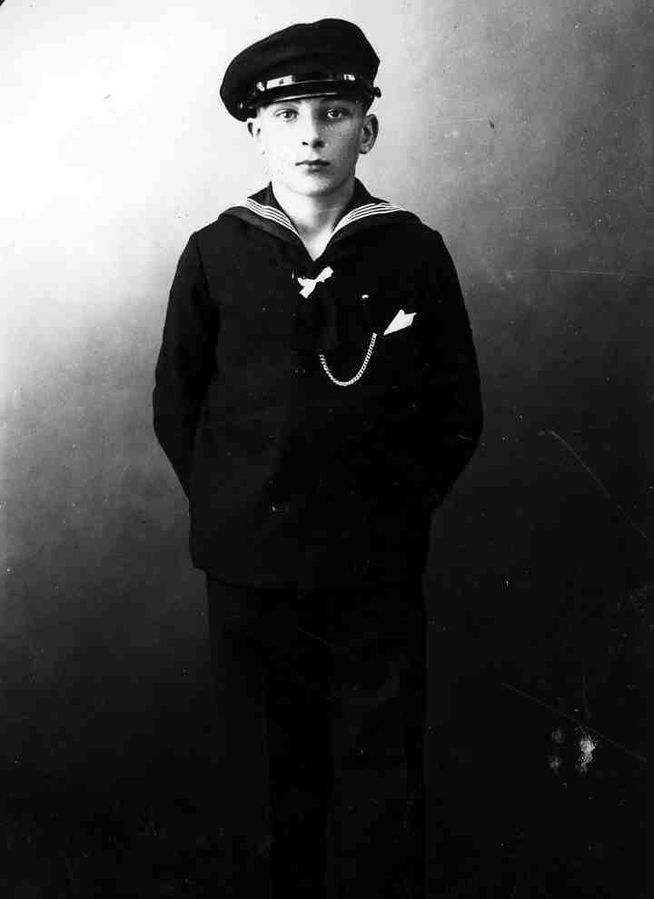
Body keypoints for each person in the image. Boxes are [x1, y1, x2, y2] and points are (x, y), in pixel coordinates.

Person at [153, 17, 482, 898]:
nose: (310, 134)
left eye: (334, 112)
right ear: (256, 133)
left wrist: (390, 513)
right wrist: (235, 504)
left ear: (366, 130)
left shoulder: (412, 250)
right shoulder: (216, 252)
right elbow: (177, 404)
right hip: (249, 569)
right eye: (288, 115)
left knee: (380, 780)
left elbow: (456, 412)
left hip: (372, 567)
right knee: (266, 785)